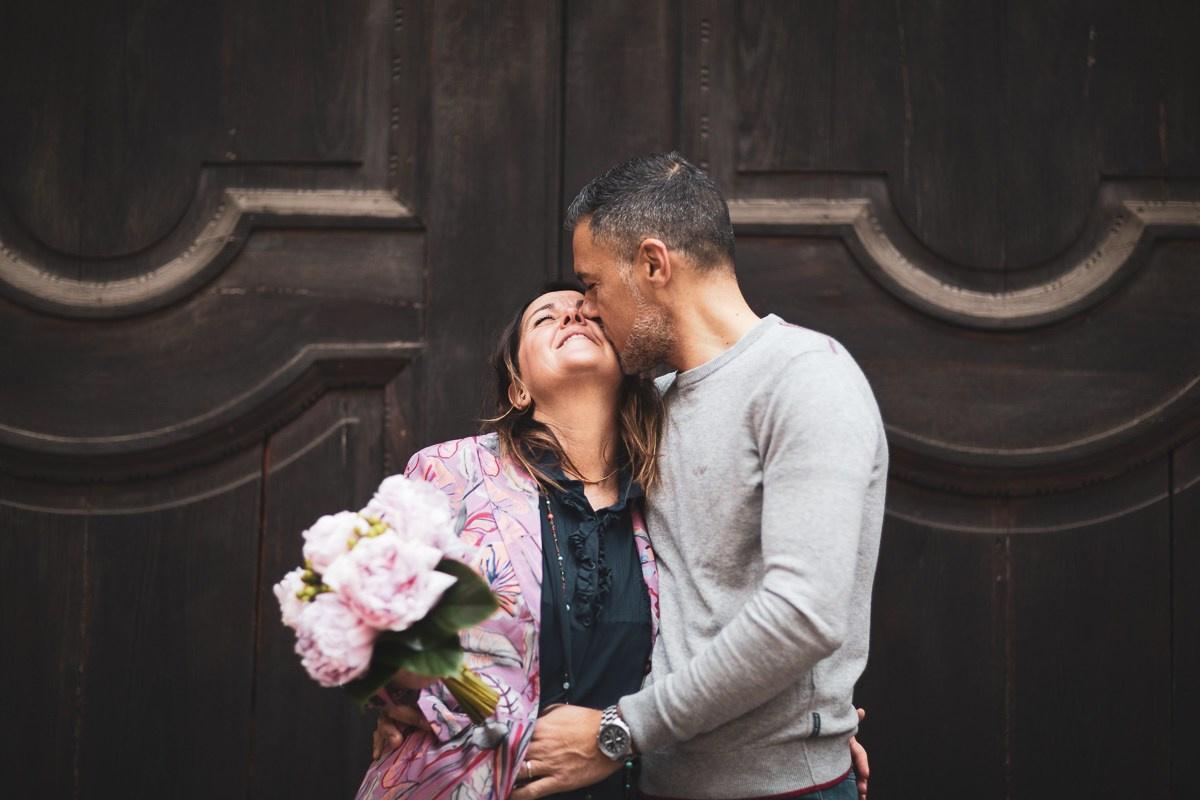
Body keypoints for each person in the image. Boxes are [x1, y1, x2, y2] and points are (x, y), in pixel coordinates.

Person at [510, 153, 887, 800]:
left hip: (775, 789)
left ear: (654, 266)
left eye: (594, 285)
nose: (590, 312)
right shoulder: (647, 405)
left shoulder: (806, 380)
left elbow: (803, 616)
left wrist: (619, 730)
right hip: (657, 782)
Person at [355, 282, 665, 800]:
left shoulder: (661, 500)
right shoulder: (447, 473)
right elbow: (370, 634)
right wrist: (405, 695)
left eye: (590, 314)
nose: (572, 317)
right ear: (519, 386)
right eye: (546, 318)